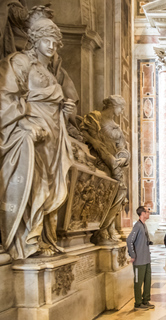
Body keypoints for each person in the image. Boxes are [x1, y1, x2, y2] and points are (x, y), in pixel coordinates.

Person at [0, 6, 78, 259]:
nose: (51, 46)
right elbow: (5, 97)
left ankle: (44, 237)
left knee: (53, 186)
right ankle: (29, 239)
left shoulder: (50, 73)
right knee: (38, 184)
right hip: (34, 133)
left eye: (55, 41)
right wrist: (24, 124)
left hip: (54, 135)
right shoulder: (20, 62)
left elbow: (54, 103)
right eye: (46, 40)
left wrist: (67, 111)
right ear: (34, 39)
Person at [81, 95, 130, 242]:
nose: (122, 111)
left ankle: (106, 227)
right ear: (114, 105)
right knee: (107, 193)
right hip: (99, 161)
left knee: (120, 193)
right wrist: (94, 142)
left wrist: (123, 157)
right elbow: (85, 133)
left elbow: (123, 147)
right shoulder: (95, 117)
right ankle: (102, 231)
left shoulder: (117, 127)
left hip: (114, 163)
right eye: (121, 108)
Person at [126, 207, 154, 311]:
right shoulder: (137, 226)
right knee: (138, 282)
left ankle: (145, 300)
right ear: (142, 213)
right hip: (139, 261)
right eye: (147, 211)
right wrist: (132, 255)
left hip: (146, 259)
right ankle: (138, 303)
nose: (149, 213)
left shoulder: (144, 225)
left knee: (147, 281)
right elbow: (129, 240)